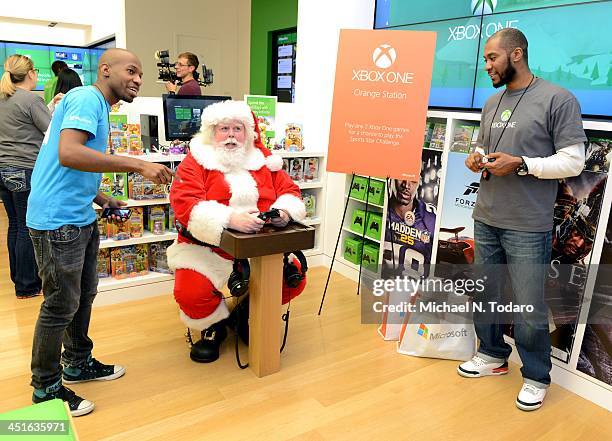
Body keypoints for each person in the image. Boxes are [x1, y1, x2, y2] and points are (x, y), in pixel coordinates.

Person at [26, 48, 174, 416]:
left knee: (83, 295)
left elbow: (74, 165)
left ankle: (77, 361)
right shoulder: (85, 98)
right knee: (60, 304)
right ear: (105, 70)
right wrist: (137, 164)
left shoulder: (98, 106)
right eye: (131, 70)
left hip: (79, 215)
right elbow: (69, 153)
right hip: (57, 220)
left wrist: (103, 197)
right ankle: (45, 386)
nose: (138, 79)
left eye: (141, 73)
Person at [459, 28, 587, 411]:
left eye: (492, 58)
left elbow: (573, 161)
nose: (487, 66)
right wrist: (476, 156)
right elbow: (485, 146)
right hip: (487, 214)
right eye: (485, 59)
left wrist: (524, 164)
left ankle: (535, 375)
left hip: (527, 222)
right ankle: (493, 354)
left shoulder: (558, 99)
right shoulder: (493, 101)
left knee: (528, 305)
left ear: (516, 55)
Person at [168, 100, 306, 363]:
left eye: (237, 128)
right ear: (212, 132)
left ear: (249, 133)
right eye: (224, 129)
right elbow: (185, 203)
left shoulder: (266, 162)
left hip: (262, 248)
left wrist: (284, 213)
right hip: (207, 248)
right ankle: (214, 324)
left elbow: (290, 191)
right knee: (190, 291)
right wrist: (230, 219)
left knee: (294, 279)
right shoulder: (195, 162)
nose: (231, 135)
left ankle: (247, 311)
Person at [0, 55, 53, 298]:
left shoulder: (4, 98)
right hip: (24, 168)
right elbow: (51, 130)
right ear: (31, 73)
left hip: (4, 169)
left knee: (15, 225)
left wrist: (48, 105)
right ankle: (28, 285)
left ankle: (19, 279)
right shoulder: (31, 99)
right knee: (26, 227)